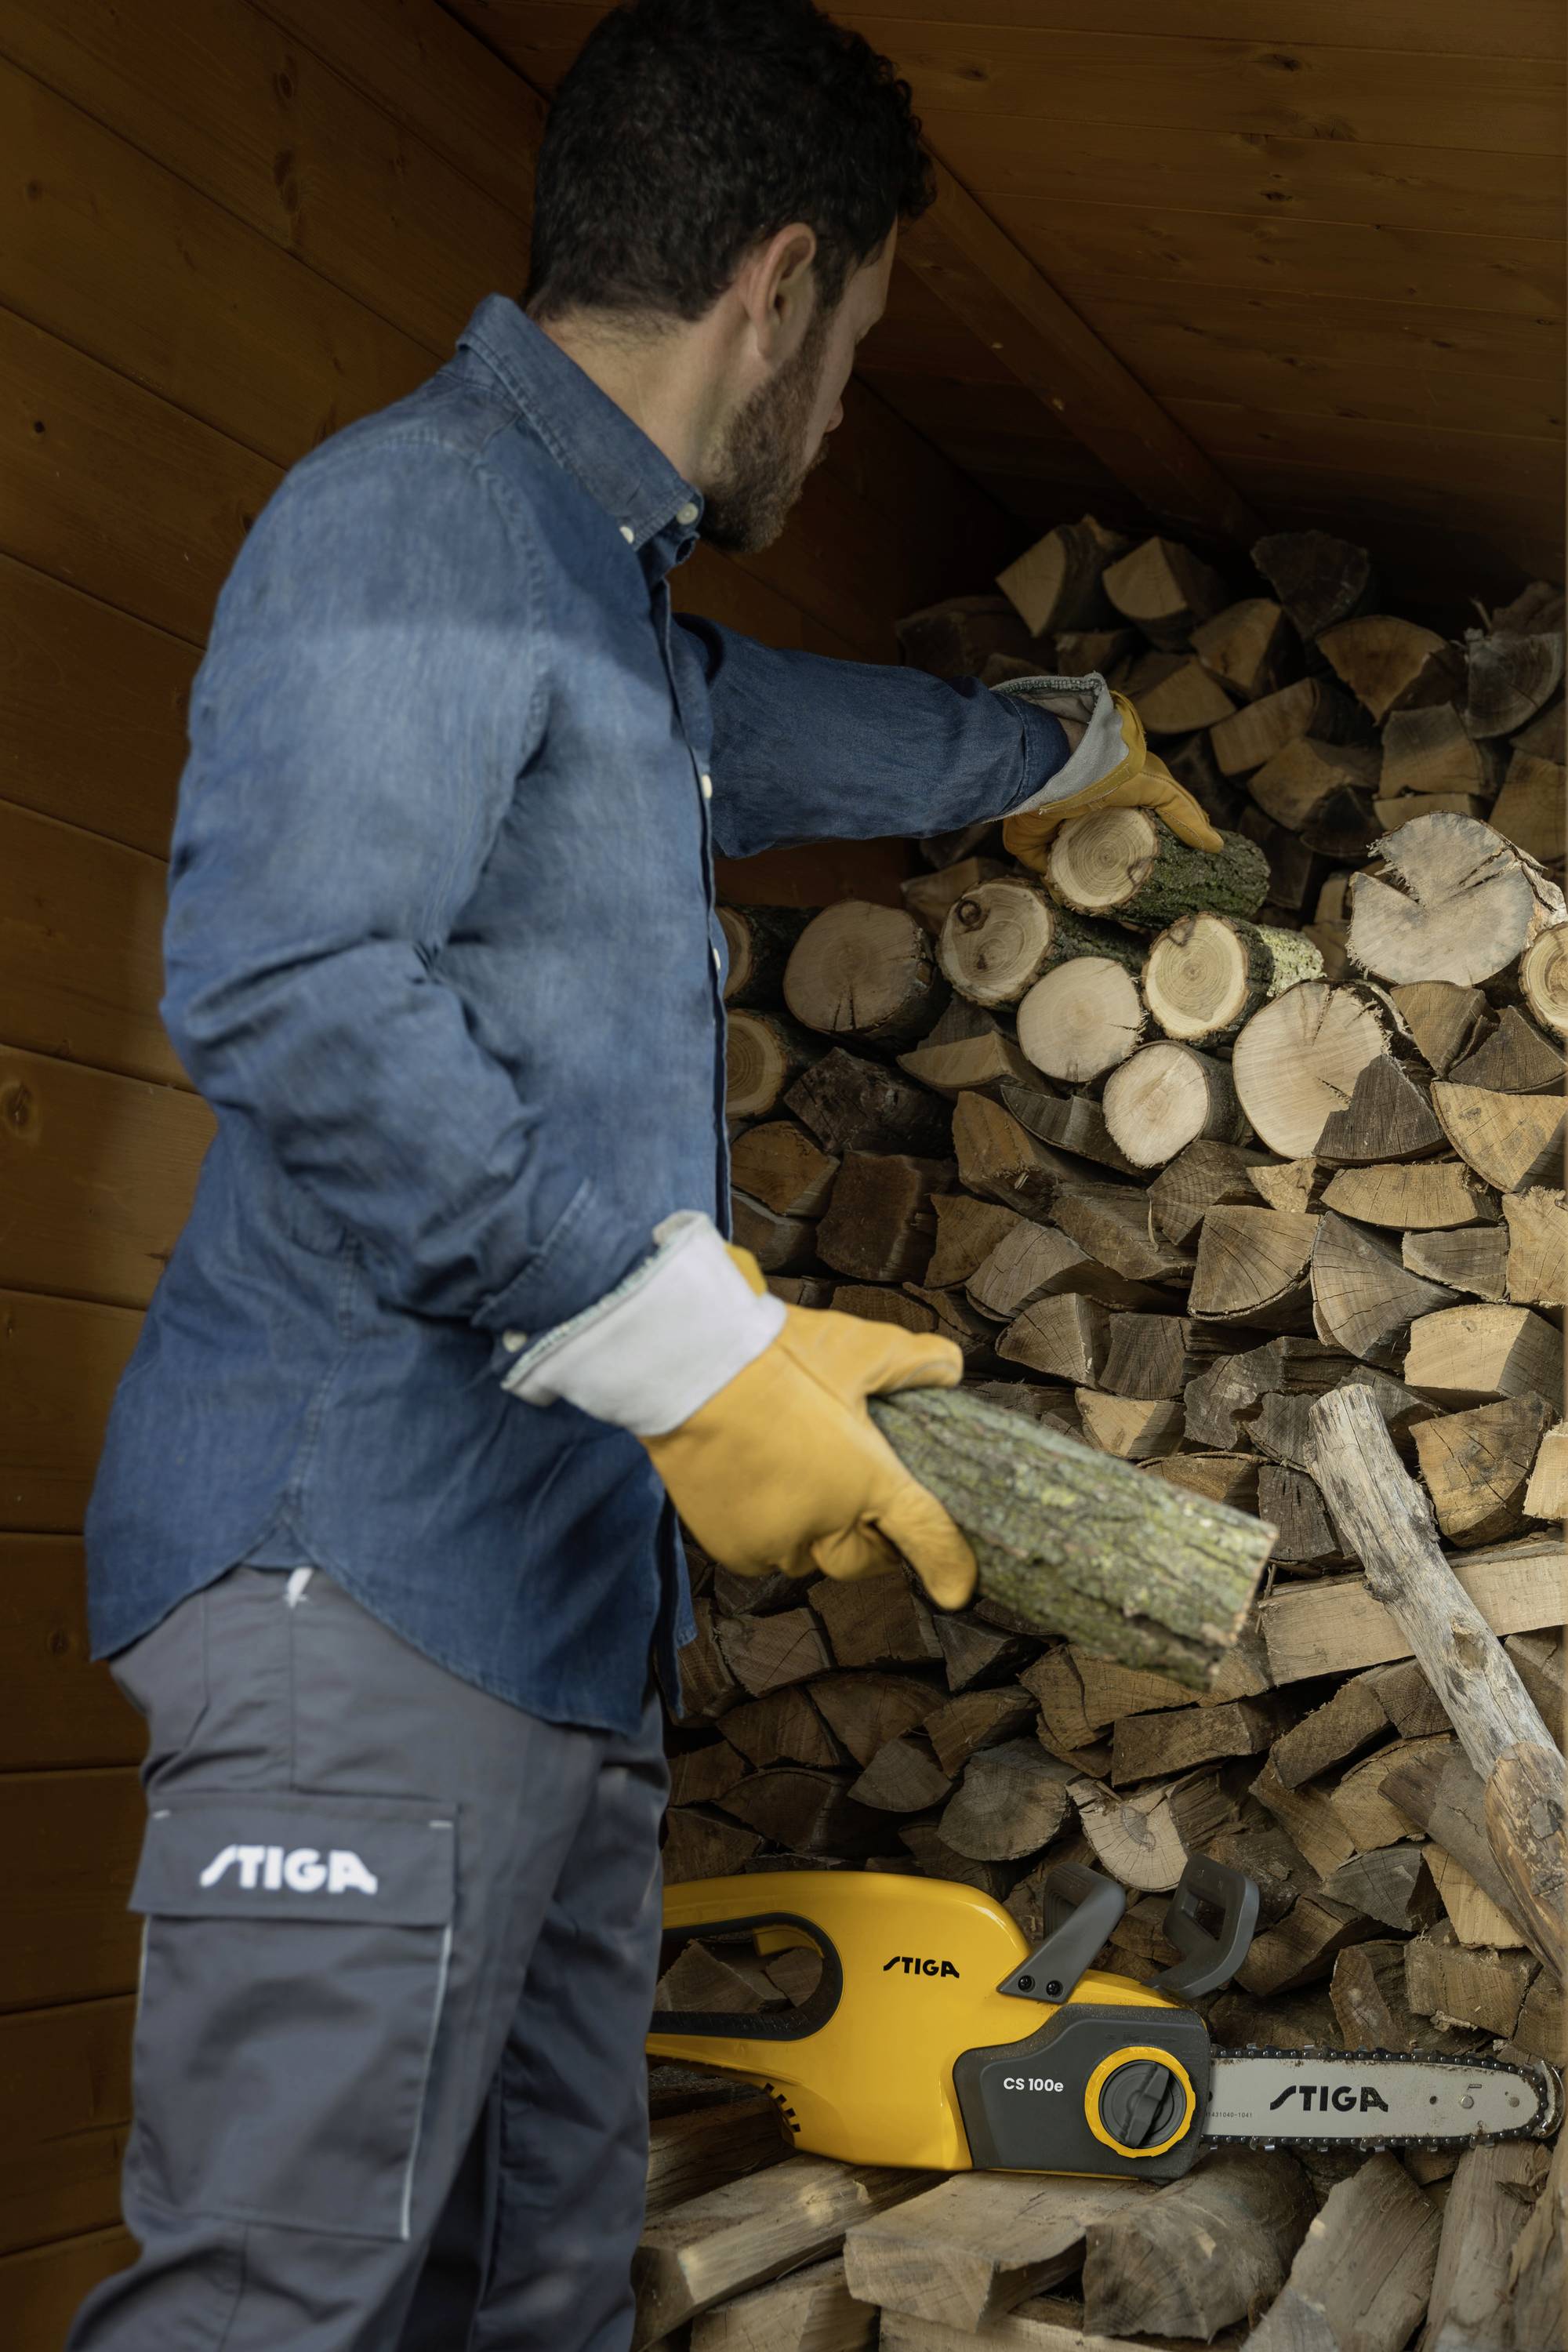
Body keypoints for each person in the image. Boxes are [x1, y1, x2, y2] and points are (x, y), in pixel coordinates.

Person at [68, 4, 1219, 2347]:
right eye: (864, 339)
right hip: (361, 1588)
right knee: (284, 2309)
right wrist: (701, 1354)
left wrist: (1068, 752)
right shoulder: (417, 518)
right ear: (776, 287)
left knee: (538, 2301)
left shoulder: (613, 617)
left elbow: (779, 734)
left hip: (553, 1638)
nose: (847, 404)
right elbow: (295, 984)